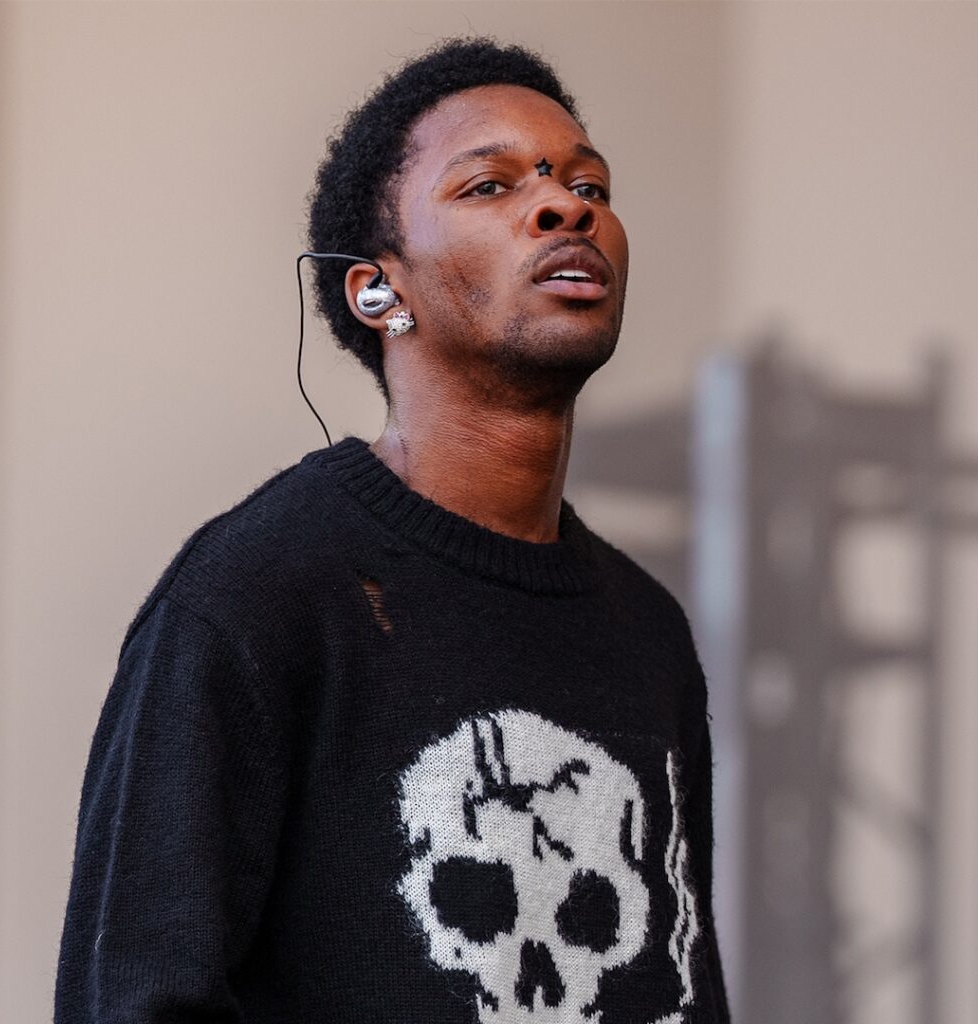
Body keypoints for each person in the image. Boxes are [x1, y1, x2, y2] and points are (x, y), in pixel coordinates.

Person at [54, 37, 731, 1024]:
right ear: (378, 290)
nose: (565, 205)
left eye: (587, 183)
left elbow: (678, 981)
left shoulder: (647, 631)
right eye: (490, 185)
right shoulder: (255, 593)